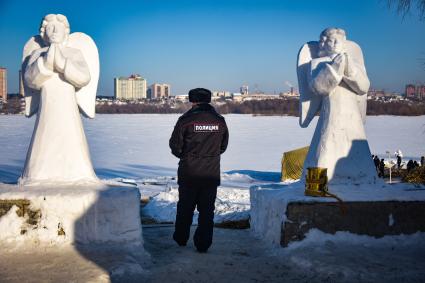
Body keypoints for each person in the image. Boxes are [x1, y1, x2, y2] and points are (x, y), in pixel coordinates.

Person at [169, 88, 229, 253]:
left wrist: (188, 156)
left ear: (192, 101)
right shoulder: (219, 120)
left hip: (189, 172)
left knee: (185, 208)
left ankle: (181, 238)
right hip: (210, 173)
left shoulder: (186, 120)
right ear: (208, 100)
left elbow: (175, 146)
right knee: (207, 210)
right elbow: (223, 146)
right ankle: (203, 244)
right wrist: (209, 156)